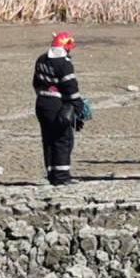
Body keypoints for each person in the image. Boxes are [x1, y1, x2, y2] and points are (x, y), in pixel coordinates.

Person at [32, 31, 85, 186]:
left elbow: (35, 83)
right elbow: (70, 87)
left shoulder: (41, 59)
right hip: (56, 105)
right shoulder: (64, 63)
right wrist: (78, 106)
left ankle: (52, 175)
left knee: (48, 139)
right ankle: (61, 176)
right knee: (63, 139)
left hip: (41, 102)